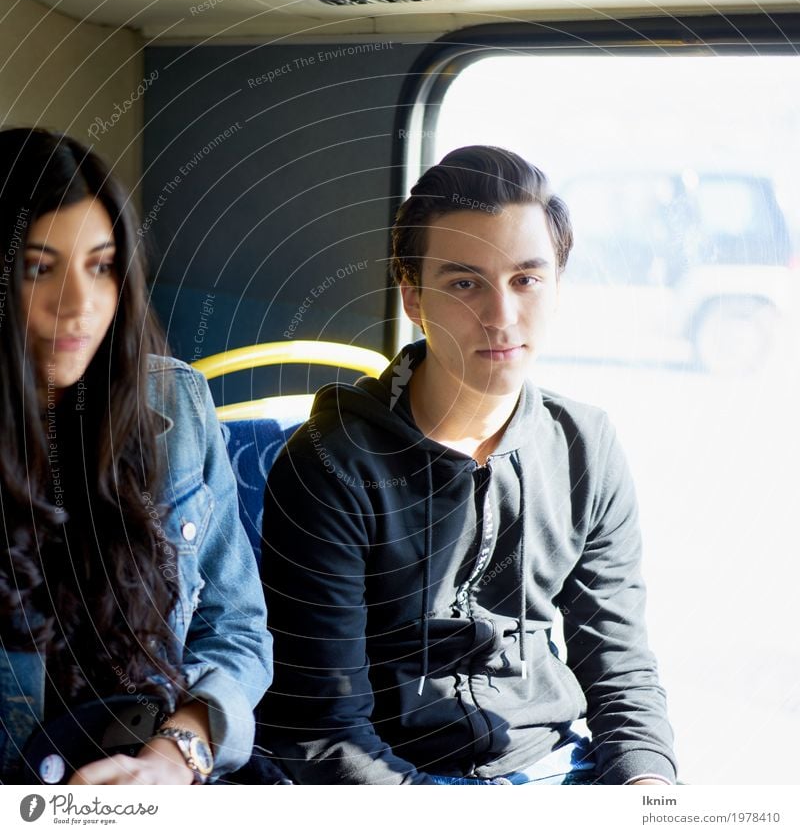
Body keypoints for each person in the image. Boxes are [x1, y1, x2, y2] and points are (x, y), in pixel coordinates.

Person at [259, 146, 677, 785]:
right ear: (413, 295)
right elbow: (324, 727)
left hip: (552, 765)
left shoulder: (585, 446)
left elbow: (620, 666)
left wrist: (649, 786)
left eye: (526, 279)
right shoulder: (331, 461)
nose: (502, 316)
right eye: (464, 282)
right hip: (388, 776)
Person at [0, 127, 271, 785]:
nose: (81, 304)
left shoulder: (177, 408)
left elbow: (236, 624)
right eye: (39, 267)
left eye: (101, 265)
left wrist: (178, 753)